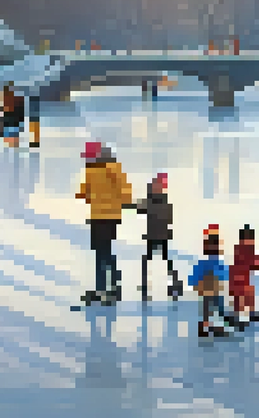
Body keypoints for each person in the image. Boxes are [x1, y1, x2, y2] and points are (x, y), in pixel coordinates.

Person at [76, 141, 133, 305]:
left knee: (100, 252)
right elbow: (125, 192)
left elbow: (83, 193)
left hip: (98, 216)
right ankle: (113, 284)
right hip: (112, 217)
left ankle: (104, 286)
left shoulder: (91, 171)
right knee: (105, 250)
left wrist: (93, 198)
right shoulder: (116, 169)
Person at [132, 173, 181, 301]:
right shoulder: (165, 203)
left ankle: (146, 285)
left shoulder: (150, 202)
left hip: (154, 235)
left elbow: (139, 208)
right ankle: (172, 283)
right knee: (166, 261)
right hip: (162, 235)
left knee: (151, 260)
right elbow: (169, 219)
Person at [189, 225, 232, 337]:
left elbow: (223, 274)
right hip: (210, 291)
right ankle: (208, 326)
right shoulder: (210, 262)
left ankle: (208, 326)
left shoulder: (209, 262)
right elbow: (223, 274)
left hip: (211, 291)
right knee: (211, 309)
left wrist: (196, 285)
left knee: (211, 309)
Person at [229, 225, 259, 327]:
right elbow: (251, 261)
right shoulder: (244, 249)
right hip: (239, 278)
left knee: (247, 294)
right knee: (243, 295)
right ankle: (238, 315)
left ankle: (246, 313)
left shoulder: (242, 248)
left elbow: (252, 261)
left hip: (241, 277)